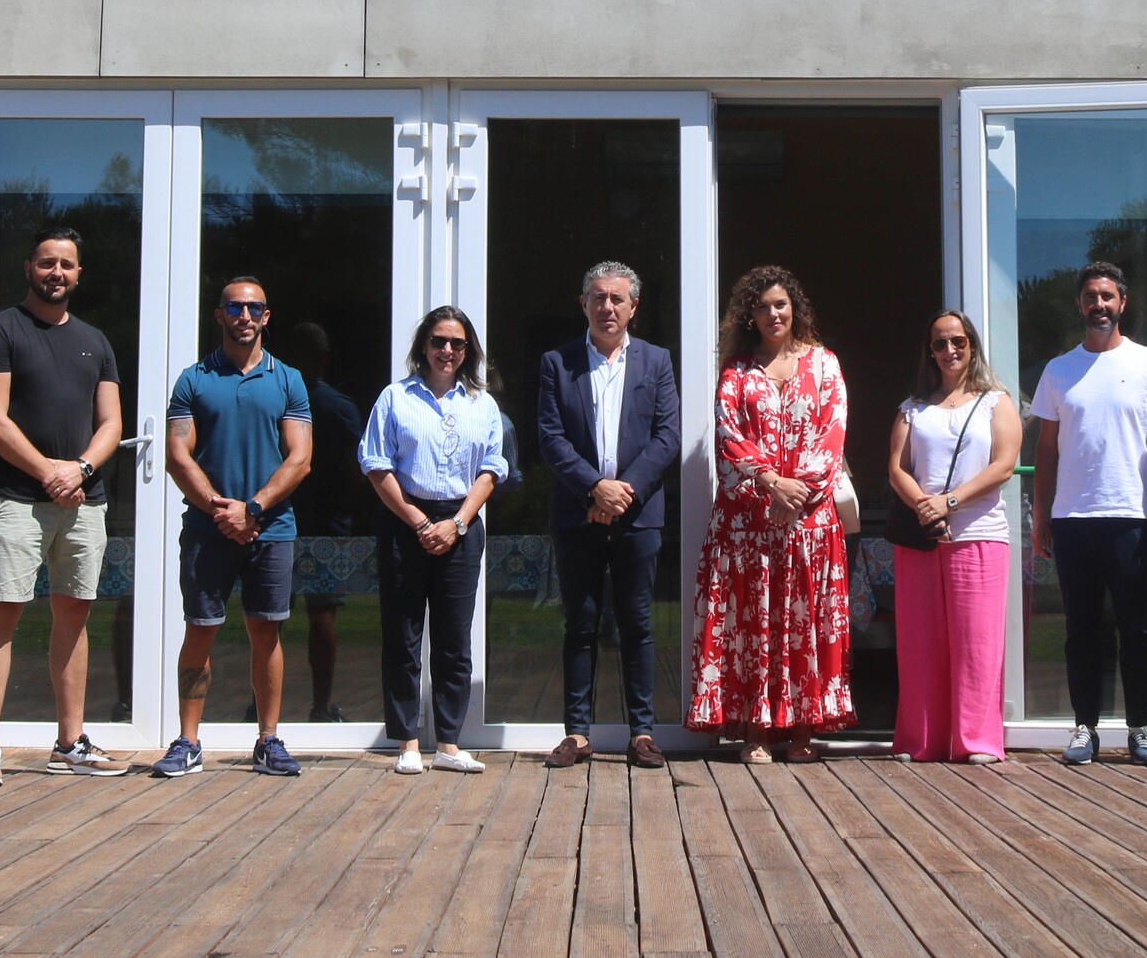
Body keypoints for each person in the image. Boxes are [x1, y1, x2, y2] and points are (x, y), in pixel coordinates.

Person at [0, 226, 131, 785]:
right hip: (16, 500)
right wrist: (49, 473)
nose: (57, 273)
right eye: (47, 263)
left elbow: (112, 423)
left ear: (79, 274)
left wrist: (80, 470)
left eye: (68, 265)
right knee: (2, 613)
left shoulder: (95, 341)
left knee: (74, 614)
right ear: (28, 268)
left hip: (84, 501)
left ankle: (70, 741)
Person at [686, 265, 853, 763]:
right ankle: (756, 732)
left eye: (780, 304)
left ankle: (803, 733)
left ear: (794, 307)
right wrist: (772, 484)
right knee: (753, 627)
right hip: (748, 527)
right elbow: (729, 435)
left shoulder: (825, 365)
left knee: (805, 626)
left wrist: (796, 493)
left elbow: (833, 432)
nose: (773, 313)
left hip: (808, 524)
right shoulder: (736, 371)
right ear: (749, 315)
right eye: (762, 307)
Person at [152, 277, 313, 780]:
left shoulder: (288, 379)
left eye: (254, 308)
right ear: (218, 314)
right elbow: (178, 455)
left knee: (266, 631)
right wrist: (221, 509)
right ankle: (188, 741)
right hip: (207, 528)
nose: (244, 315)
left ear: (267, 317)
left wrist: (254, 509)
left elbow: (301, 458)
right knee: (200, 629)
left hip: (272, 527)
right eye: (235, 307)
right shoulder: (193, 379)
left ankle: (268, 740)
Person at [1029, 261, 1147, 768]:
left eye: (1108, 296)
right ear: (1080, 305)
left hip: (1131, 517)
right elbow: (1046, 450)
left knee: (1136, 628)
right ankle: (1085, 728)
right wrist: (1041, 515)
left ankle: (1140, 729)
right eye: (1091, 297)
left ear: (1123, 303)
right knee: (1080, 628)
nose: (1099, 305)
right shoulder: (1058, 370)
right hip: (1073, 518)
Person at [536, 261, 682, 770]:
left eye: (618, 299)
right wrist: (594, 489)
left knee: (637, 624)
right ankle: (577, 733)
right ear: (584, 304)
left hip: (638, 516)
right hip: (579, 513)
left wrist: (624, 492)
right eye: (598, 298)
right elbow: (550, 438)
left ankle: (641, 732)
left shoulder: (656, 362)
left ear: (633, 307)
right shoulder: (559, 361)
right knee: (580, 622)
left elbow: (668, 438)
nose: (608, 307)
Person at [362, 307, 508, 774]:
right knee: (403, 635)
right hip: (406, 519)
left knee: (453, 638)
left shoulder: (481, 403)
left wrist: (458, 523)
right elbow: (376, 465)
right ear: (423, 345)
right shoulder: (394, 398)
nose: (448, 351)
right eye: (439, 341)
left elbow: (491, 470)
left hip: (461, 524)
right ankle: (406, 742)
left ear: (469, 351)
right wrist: (419, 522)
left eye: (458, 343)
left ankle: (448, 743)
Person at [887, 311, 1024, 765]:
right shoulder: (913, 407)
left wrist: (950, 501)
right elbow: (897, 469)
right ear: (930, 351)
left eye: (959, 342)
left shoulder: (995, 401)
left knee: (977, 644)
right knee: (919, 642)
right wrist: (925, 507)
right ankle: (920, 740)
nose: (950, 351)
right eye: (941, 343)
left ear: (973, 346)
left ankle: (977, 741)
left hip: (979, 535)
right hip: (923, 538)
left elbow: (1003, 465)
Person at [281, 320, 364, 723]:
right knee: (322, 614)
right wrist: (345, 507)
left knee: (270, 614)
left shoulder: (276, 400)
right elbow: (356, 469)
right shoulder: (340, 407)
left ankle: (264, 707)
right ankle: (321, 706)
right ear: (325, 357)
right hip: (328, 521)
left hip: (281, 514)